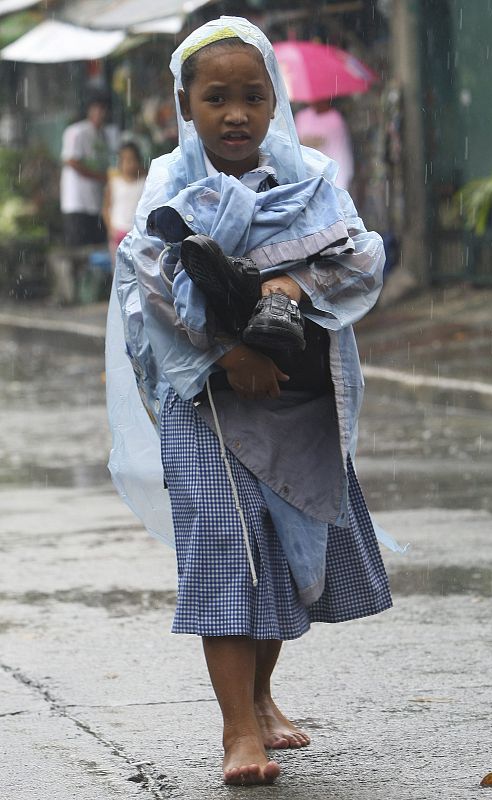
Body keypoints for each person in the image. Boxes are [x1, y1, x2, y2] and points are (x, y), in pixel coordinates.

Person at [106, 16, 398, 787]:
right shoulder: (167, 186)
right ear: (184, 102)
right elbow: (151, 291)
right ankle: (237, 730)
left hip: (297, 395)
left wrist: (290, 285)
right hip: (203, 398)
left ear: (273, 103)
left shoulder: (310, 178)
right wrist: (228, 353)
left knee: (278, 551)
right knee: (225, 558)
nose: (234, 113)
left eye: (251, 97)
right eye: (215, 97)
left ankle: (263, 697)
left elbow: (361, 257)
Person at [60, 93, 115, 248]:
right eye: (97, 109)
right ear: (89, 110)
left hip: (96, 202)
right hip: (77, 202)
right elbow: (71, 160)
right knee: (78, 248)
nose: (101, 113)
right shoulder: (76, 132)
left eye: (103, 109)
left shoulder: (103, 135)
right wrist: (101, 177)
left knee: (97, 246)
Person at [102, 141, 146, 265]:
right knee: (119, 270)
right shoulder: (114, 183)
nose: (128, 164)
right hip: (118, 232)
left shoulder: (145, 182)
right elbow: (106, 208)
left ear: (138, 161)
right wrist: (110, 228)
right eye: (124, 160)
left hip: (138, 234)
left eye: (132, 159)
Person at [295, 100, 354, 191]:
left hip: (331, 177)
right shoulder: (301, 118)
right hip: (307, 178)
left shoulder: (335, 120)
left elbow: (340, 153)